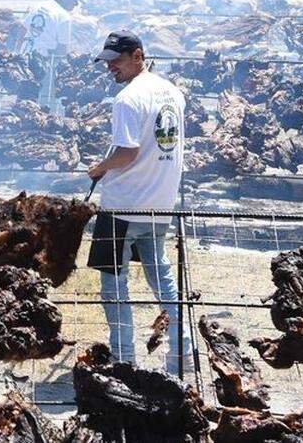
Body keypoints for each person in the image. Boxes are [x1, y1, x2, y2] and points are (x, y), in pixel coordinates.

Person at [85, 30, 191, 375]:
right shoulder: (172, 92)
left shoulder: (127, 99)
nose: (110, 69)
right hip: (159, 202)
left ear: (137, 56)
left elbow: (128, 151)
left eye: (115, 61)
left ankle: (123, 359)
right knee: (159, 274)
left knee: (113, 285)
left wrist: (100, 167)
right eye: (107, 62)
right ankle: (181, 353)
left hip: (122, 205)